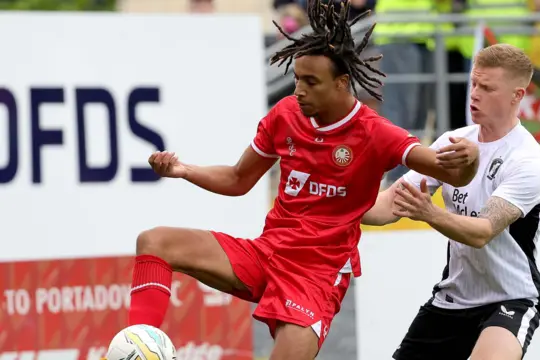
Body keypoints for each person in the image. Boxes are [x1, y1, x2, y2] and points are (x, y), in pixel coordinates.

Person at [124, 1, 480, 360]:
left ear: (342, 83)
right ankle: (141, 350)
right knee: (155, 241)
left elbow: (451, 172)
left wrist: (470, 159)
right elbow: (237, 179)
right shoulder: (285, 115)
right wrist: (184, 170)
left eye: (311, 82)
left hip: (316, 278)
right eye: (296, 79)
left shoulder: (375, 133)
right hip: (267, 254)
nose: (298, 90)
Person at [362, 43, 540, 360]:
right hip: (455, 297)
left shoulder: (528, 159)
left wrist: (429, 213)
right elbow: (387, 207)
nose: (474, 94)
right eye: (473, 83)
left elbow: (481, 232)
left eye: (487, 87)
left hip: (511, 297)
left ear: (517, 96)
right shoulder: (452, 142)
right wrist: (333, 200)